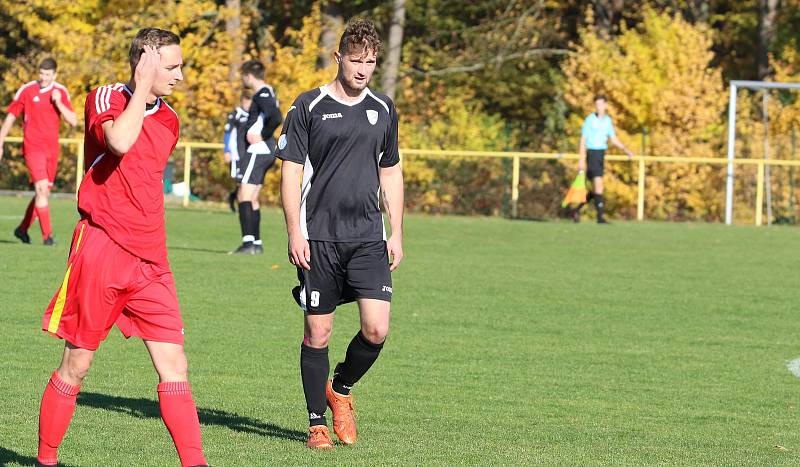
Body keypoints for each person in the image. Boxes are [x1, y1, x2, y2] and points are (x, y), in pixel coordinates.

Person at [35, 29, 208, 467]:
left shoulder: (170, 120)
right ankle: (46, 460)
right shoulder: (105, 97)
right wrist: (141, 85)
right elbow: (120, 141)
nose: (180, 76)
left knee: (176, 366)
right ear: (144, 62)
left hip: (152, 259)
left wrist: (152, 88)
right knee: (77, 365)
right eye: (171, 66)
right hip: (102, 249)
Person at [277, 18, 404, 450]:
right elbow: (291, 172)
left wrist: (398, 232)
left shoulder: (384, 109)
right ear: (339, 58)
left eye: (370, 62)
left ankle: (342, 390)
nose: (363, 70)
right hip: (320, 238)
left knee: (376, 329)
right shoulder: (308, 106)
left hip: (368, 236)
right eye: (355, 60)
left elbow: (390, 171)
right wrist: (296, 231)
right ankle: (316, 424)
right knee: (318, 333)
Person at [0, 58, 77, 245]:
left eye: (47, 75)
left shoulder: (60, 92)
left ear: (54, 75)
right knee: (41, 189)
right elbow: (11, 116)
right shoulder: (27, 90)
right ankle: (47, 237)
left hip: (52, 150)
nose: (43, 78)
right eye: (41, 74)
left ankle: (22, 229)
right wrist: (0, 140)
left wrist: (58, 103)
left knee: (43, 194)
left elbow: (73, 121)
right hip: (32, 148)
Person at [230, 59, 282, 255]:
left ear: (249, 75)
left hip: (258, 149)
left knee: (244, 194)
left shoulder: (262, 93)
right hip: (264, 150)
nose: (243, 78)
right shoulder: (267, 91)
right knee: (252, 198)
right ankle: (256, 243)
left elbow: (276, 116)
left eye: (243, 75)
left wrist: (262, 135)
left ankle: (247, 243)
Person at [574, 94, 634, 224]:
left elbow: (613, 139)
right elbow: (583, 139)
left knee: (597, 188)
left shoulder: (607, 121)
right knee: (599, 185)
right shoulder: (590, 120)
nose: (599, 107)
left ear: (605, 105)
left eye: (601, 104)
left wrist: (625, 150)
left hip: (601, 154)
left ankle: (576, 210)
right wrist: (581, 158)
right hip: (592, 154)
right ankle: (600, 217)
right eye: (597, 104)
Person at [223, 90, 252, 212]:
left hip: (249, 153)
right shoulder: (235, 114)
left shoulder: (253, 115)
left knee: (246, 183)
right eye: (246, 102)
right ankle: (239, 205)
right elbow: (228, 133)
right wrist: (227, 151)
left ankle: (235, 198)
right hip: (236, 154)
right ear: (242, 101)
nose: (248, 105)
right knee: (240, 182)